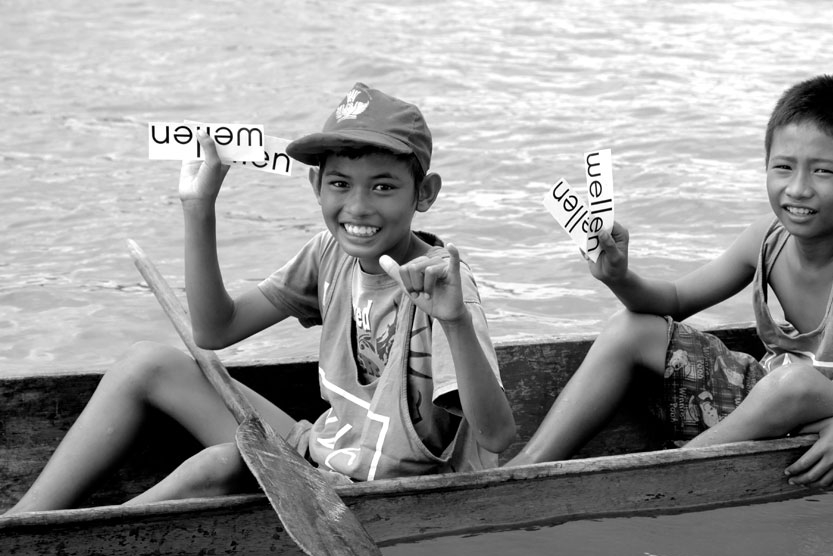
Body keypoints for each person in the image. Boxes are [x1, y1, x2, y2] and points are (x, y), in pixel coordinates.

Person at [6, 83, 515, 513]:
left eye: (383, 187)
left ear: (424, 193)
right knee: (146, 364)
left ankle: (63, 548)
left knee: (219, 466)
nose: (358, 206)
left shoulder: (441, 283)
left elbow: (495, 437)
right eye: (340, 184)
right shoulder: (328, 254)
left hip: (389, 494)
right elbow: (215, 330)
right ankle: (20, 526)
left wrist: (455, 322)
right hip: (318, 455)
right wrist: (199, 208)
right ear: (317, 185)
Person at [507, 74, 833, 488]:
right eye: (783, 167)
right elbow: (672, 300)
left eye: (823, 172)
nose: (798, 188)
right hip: (775, 396)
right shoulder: (767, 239)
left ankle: (662, 481)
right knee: (631, 326)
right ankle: (526, 469)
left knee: (792, 384)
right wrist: (619, 277)